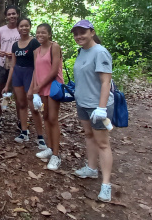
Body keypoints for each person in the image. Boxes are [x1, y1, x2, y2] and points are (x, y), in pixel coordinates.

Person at [70, 20, 115, 202]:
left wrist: (102, 108)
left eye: (83, 32)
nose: (79, 36)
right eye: (76, 33)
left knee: (103, 143)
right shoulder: (82, 51)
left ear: (92, 32)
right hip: (83, 103)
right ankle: (91, 168)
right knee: (88, 135)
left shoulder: (100, 52)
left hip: (98, 106)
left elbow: (106, 81)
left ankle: (106, 184)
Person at [2, 18, 44, 147]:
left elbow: (38, 65)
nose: (24, 28)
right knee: (21, 104)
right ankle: (24, 132)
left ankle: (40, 136)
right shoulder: (15, 45)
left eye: (26, 26)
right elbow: (13, 66)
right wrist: (7, 85)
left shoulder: (34, 43)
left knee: (33, 107)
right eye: (22, 26)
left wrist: (36, 84)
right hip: (17, 75)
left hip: (30, 74)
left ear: (30, 27)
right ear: (18, 28)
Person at [32, 23, 64, 170]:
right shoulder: (36, 51)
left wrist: (40, 85)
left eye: (43, 32)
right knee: (45, 117)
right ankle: (50, 147)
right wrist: (33, 88)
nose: (40, 35)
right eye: (38, 32)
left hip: (53, 87)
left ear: (49, 34)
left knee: (53, 118)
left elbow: (53, 70)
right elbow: (35, 71)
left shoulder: (54, 47)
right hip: (41, 89)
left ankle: (56, 156)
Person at [0, 6, 20, 125]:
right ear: (6, 16)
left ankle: (20, 119)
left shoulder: (21, 29)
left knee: (18, 92)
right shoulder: (0, 30)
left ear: (17, 15)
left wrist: (14, 54)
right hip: (1, 63)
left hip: (17, 65)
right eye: (9, 14)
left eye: (14, 14)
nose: (11, 16)